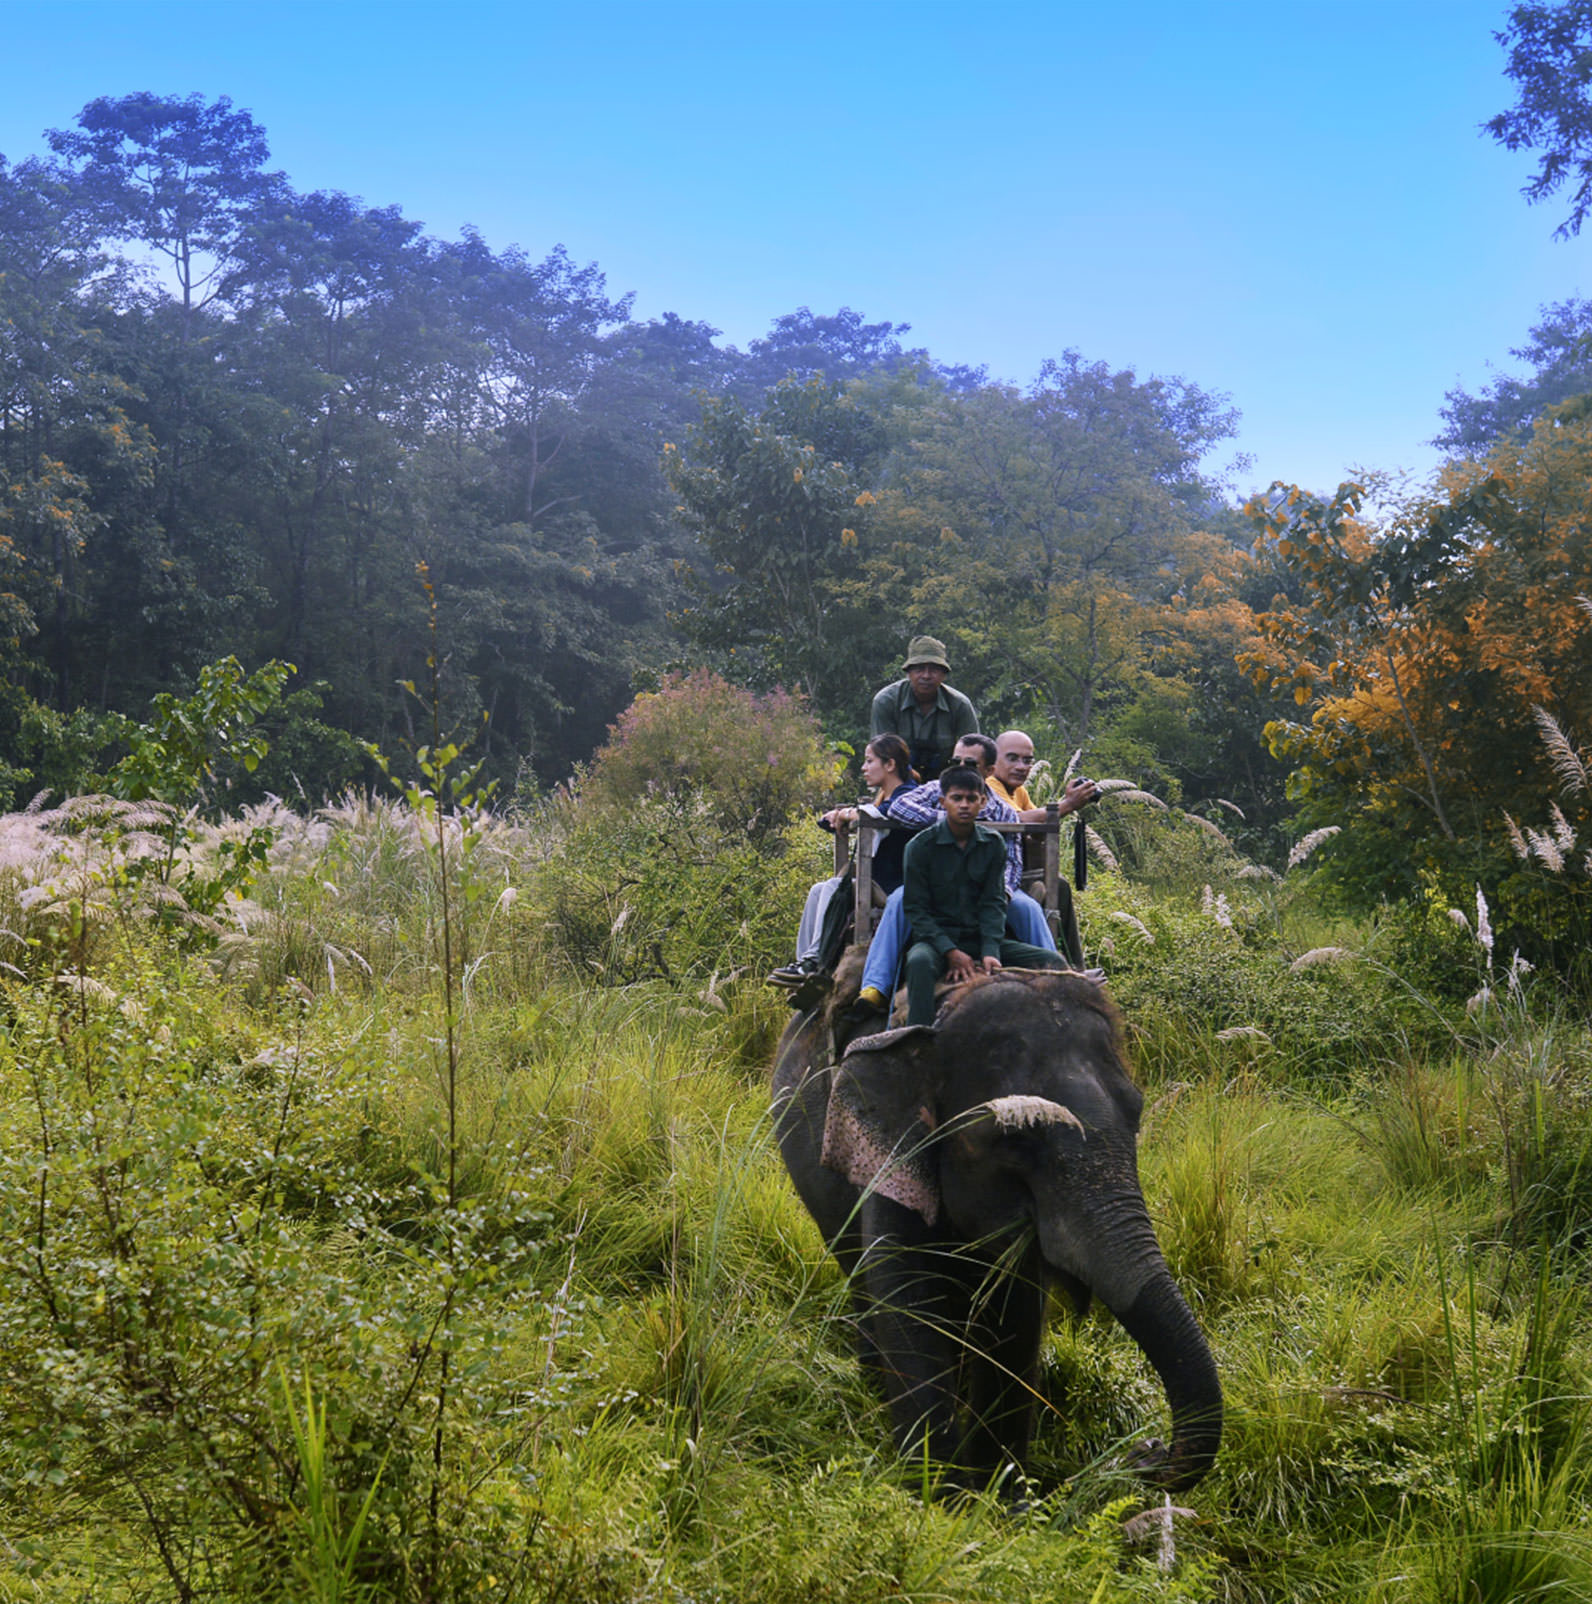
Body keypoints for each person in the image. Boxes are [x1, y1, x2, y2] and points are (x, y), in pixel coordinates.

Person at [852, 734, 1060, 1012]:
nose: (960, 767)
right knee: (900, 901)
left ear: (988, 772)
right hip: (935, 890)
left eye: (970, 763)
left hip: (987, 890)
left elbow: (1012, 864)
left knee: (1028, 907)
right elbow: (901, 806)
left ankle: (1061, 982)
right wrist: (948, 818)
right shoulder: (938, 790)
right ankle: (875, 985)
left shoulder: (1003, 811)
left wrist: (1004, 893)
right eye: (955, 761)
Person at [898, 764, 1065, 1027]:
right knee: (918, 962)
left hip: (978, 938)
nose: (964, 805)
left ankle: (1058, 1031)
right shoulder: (920, 847)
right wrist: (951, 952)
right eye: (956, 798)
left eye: (971, 799)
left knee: (1052, 961)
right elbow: (917, 911)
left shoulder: (992, 844)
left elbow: (993, 903)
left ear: (983, 802)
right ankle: (916, 1037)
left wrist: (990, 950)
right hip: (936, 943)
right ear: (943, 802)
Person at [768, 732, 915, 992]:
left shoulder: (908, 795)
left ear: (890, 764)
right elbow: (828, 822)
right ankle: (805, 963)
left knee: (835, 887)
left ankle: (815, 961)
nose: (864, 767)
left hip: (895, 885)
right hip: (876, 881)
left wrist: (849, 813)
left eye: (870, 761)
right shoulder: (883, 796)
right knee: (818, 889)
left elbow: (882, 816)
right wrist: (840, 815)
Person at [987, 728, 1098, 966]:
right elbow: (1017, 820)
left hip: (1017, 872)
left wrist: (1064, 808)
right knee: (1058, 884)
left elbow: (1037, 829)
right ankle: (1071, 966)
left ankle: (1075, 964)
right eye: (1012, 758)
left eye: (1028, 761)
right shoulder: (991, 785)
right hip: (997, 876)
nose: (1021, 766)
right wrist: (1066, 804)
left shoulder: (1019, 791)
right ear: (993, 761)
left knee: (1059, 884)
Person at [870, 636, 979, 782]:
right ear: (909, 672)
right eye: (920, 669)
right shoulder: (886, 701)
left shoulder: (960, 705)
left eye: (933, 670)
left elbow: (974, 755)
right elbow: (881, 755)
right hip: (899, 782)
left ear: (943, 674)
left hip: (948, 784)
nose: (926, 676)